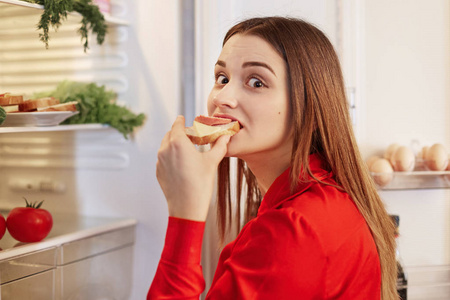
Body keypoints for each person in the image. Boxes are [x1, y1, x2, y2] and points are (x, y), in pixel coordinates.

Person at [148, 17, 397, 300]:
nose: (223, 97)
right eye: (222, 78)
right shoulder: (318, 200)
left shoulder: (295, 232)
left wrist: (185, 212)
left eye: (256, 82)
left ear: (311, 110)